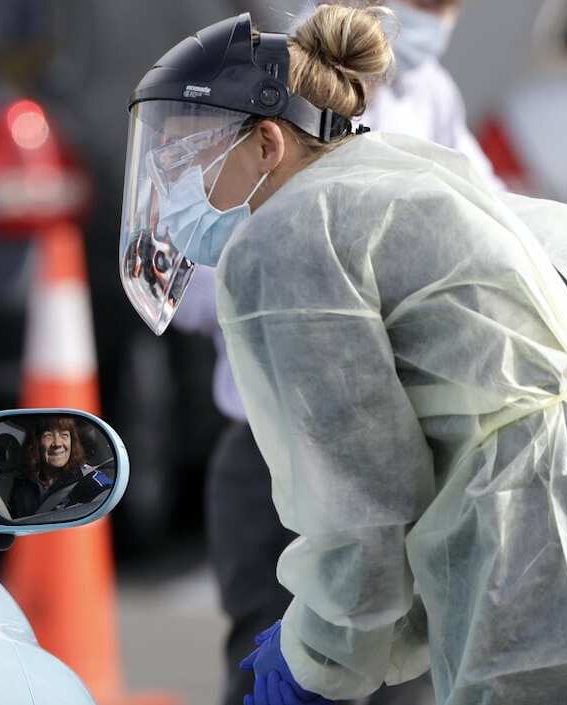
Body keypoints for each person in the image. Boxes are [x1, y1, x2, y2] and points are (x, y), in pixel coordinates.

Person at [120, 6, 567, 705]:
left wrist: (310, 664)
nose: (176, 188)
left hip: (528, 521)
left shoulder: (284, 237)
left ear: (266, 145)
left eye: (192, 157)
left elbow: (366, 510)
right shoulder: (386, 172)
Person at [170, 2, 483, 703]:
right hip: (276, 444)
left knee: (392, 673)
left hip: (402, 451)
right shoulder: (261, 82)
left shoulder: (427, 98)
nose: (439, 17)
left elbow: (371, 515)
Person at [9, 416, 88, 519]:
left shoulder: (87, 479)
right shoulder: (23, 484)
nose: (57, 444)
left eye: (64, 435)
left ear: (72, 441)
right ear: (35, 443)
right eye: (48, 436)